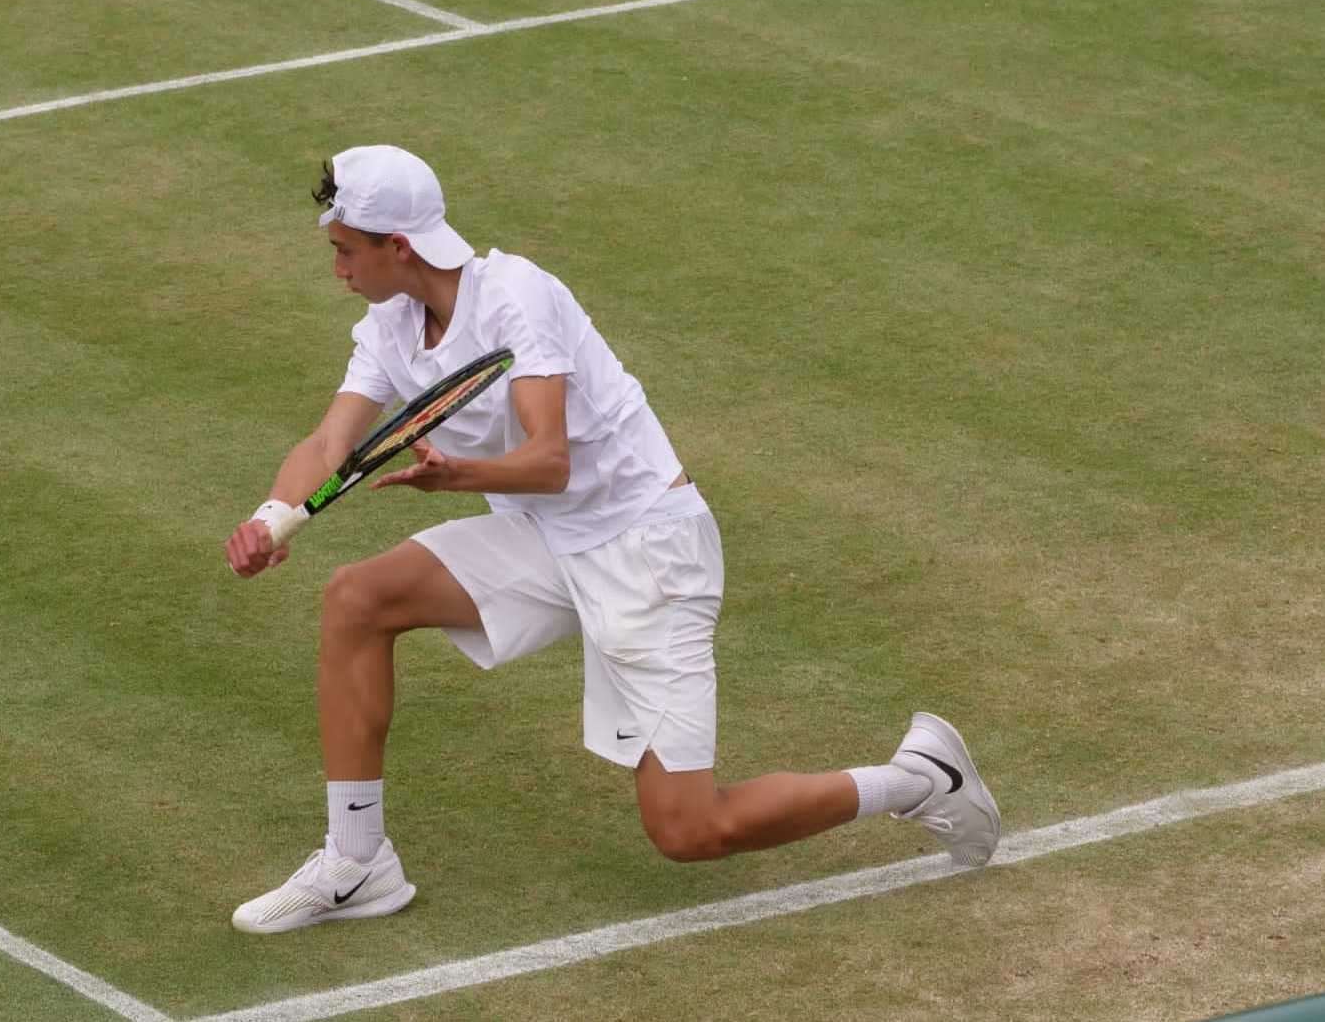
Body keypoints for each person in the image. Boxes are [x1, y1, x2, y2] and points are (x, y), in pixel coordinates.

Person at [223, 145, 999, 934]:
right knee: (357, 598)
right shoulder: (388, 325)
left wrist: (457, 476)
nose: (338, 270)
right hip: (544, 538)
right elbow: (329, 444)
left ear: (400, 246)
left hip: (647, 551)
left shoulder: (515, 295)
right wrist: (270, 515)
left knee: (691, 829)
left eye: (345, 250)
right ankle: (357, 863)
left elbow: (549, 457)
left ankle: (918, 778)